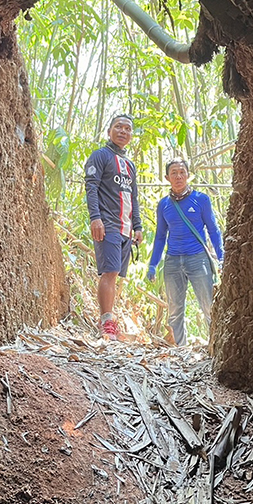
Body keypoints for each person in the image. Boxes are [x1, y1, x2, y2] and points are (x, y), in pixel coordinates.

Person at [147, 158, 224, 346]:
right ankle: (180, 350)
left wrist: (222, 258)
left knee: (208, 305)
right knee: (174, 309)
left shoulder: (201, 199)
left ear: (188, 175)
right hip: (173, 260)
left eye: (182, 172)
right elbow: (160, 236)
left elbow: (213, 230)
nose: (178, 176)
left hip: (198, 258)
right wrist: (153, 264)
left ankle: (214, 347)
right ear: (167, 177)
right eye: (174, 173)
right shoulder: (164, 204)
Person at [84, 114, 143, 340]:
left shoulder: (129, 165)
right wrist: (95, 218)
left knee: (115, 273)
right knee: (109, 271)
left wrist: (137, 226)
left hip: (125, 227)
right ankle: (106, 322)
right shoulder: (100, 156)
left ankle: (110, 320)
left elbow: (133, 197)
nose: (123, 131)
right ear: (109, 131)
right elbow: (91, 187)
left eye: (128, 128)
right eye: (118, 127)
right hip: (107, 223)